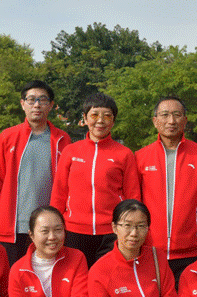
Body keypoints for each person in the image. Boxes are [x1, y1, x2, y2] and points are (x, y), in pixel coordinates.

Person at [51, 93, 141, 267]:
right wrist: (55, 226)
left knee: (108, 278)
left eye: (107, 116)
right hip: (74, 231)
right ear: (85, 118)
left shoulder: (124, 154)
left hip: (111, 232)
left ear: (113, 121)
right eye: (94, 115)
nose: (100, 121)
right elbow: (59, 192)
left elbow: (132, 196)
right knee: (76, 277)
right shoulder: (71, 151)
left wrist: (129, 227)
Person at [136, 97, 197, 282]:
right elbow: (136, 200)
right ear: (155, 120)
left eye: (177, 115)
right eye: (165, 115)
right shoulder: (141, 157)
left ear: (185, 120)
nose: (171, 121)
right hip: (150, 249)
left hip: (190, 250)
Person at [0, 80, 70, 264]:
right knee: (14, 275)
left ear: (51, 105)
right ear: (22, 104)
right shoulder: (7, 137)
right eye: (31, 99)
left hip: (49, 226)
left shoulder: (62, 139)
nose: (37, 105)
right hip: (14, 225)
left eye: (42, 100)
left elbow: (67, 182)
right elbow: (0, 179)